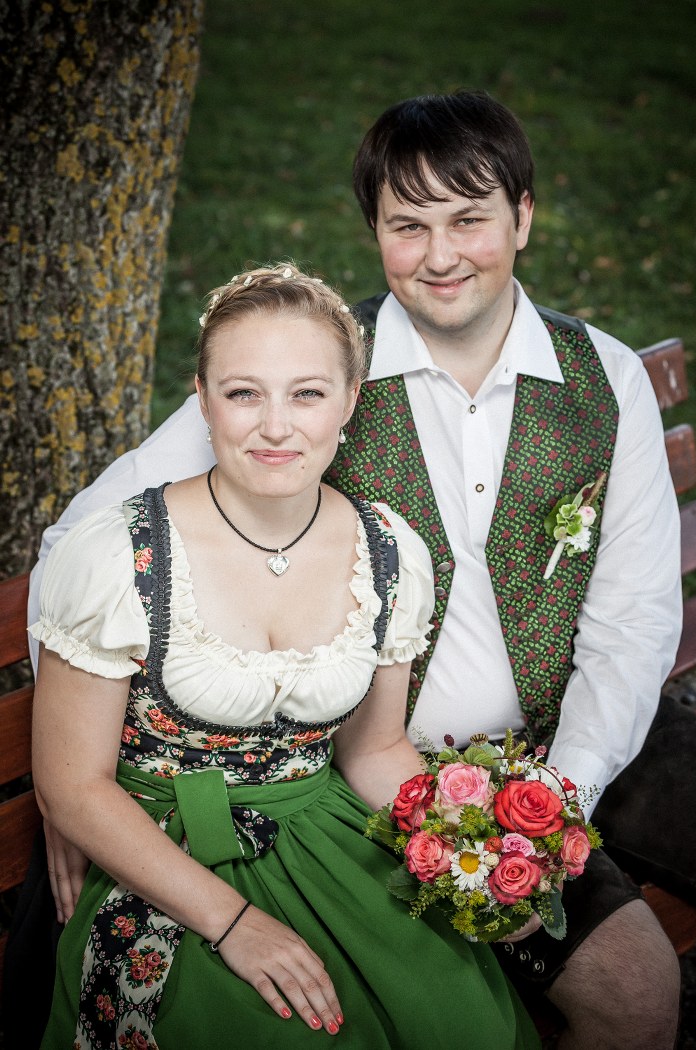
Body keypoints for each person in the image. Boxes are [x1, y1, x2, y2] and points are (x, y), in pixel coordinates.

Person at [20, 91, 683, 1049]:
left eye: (469, 219)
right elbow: (84, 543)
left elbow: (633, 625)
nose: (440, 255)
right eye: (407, 226)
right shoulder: (314, 375)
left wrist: (550, 810)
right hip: (348, 787)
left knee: (637, 994)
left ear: (524, 216)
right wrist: (71, 778)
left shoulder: (603, 381)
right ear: (374, 231)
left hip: (531, 776)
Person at [28, 263, 540, 1049]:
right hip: (163, 863)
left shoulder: (386, 551)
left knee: (454, 1017)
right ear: (203, 401)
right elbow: (74, 787)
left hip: (326, 837)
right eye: (244, 394)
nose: (276, 427)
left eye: (306, 394)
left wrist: (468, 854)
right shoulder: (118, 557)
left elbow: (374, 750)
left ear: (349, 400)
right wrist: (235, 924)